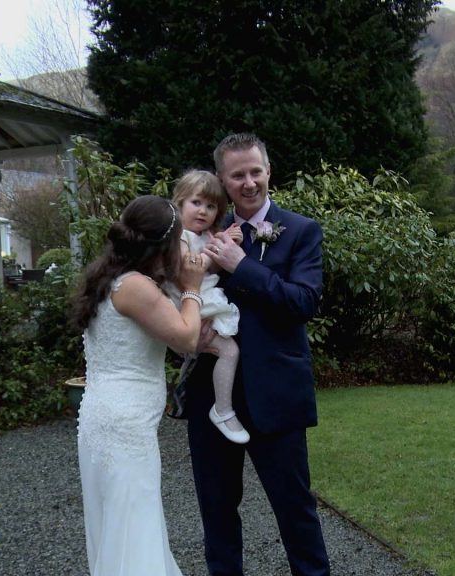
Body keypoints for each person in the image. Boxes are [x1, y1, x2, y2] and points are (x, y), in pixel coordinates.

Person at [185, 133, 331, 576]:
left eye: (255, 171)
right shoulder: (202, 231)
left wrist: (241, 265)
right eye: (237, 175)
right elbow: (176, 293)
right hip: (212, 394)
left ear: (268, 171)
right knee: (217, 509)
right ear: (223, 181)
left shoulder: (302, 231)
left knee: (295, 509)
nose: (248, 183)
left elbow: (303, 303)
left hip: (277, 393)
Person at [70, 195, 206, 576]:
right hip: (124, 426)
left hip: (103, 414)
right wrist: (193, 287)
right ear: (162, 245)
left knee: (119, 522)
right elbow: (186, 339)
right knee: (134, 520)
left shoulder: (108, 278)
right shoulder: (136, 287)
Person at [168, 169, 249, 444]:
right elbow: (187, 270)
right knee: (230, 351)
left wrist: (223, 244)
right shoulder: (178, 236)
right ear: (179, 202)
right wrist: (215, 246)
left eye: (211, 206)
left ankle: (222, 408)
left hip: (205, 301)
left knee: (228, 350)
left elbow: (212, 266)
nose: (203, 211)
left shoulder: (202, 235)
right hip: (190, 303)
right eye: (196, 203)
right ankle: (223, 409)